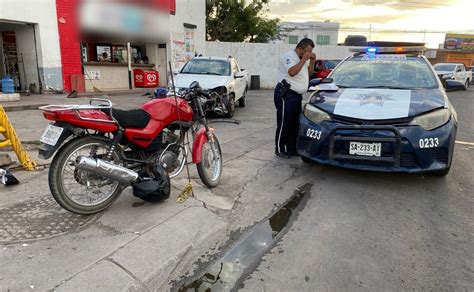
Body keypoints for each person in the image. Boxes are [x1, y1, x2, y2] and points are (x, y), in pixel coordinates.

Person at [274, 38, 316, 159]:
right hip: (285, 93)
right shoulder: (288, 57)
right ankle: (279, 148)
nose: (309, 53)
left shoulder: (301, 60)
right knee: (284, 122)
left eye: (311, 51)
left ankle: (292, 149)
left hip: (296, 96)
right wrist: (303, 60)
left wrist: (312, 62)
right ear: (300, 49)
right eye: (308, 50)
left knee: (295, 124)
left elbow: (309, 73)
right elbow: (292, 72)